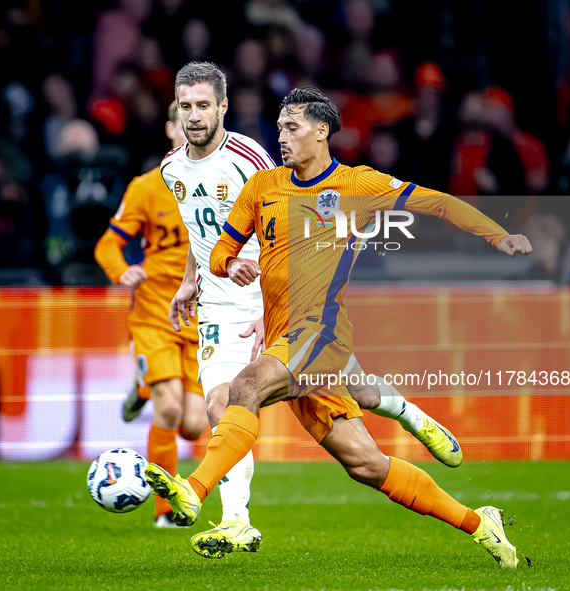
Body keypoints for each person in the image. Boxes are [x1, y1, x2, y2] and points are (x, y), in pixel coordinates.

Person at [145, 87, 532, 567]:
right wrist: (230, 267)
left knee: (241, 389)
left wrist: (498, 234)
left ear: (322, 131)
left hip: (319, 335)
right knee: (366, 465)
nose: (282, 137)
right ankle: (480, 522)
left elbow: (438, 204)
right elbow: (220, 250)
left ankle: (195, 491)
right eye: (280, 127)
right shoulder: (263, 187)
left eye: (293, 127)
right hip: (286, 335)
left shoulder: (357, 186)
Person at [94, 100, 208, 528]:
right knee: (170, 412)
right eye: (184, 122)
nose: (192, 128)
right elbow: (106, 244)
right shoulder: (145, 187)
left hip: (199, 318)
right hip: (154, 314)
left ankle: (141, 389)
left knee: (195, 427)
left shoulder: (218, 185)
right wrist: (122, 270)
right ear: (170, 129)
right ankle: (166, 513)